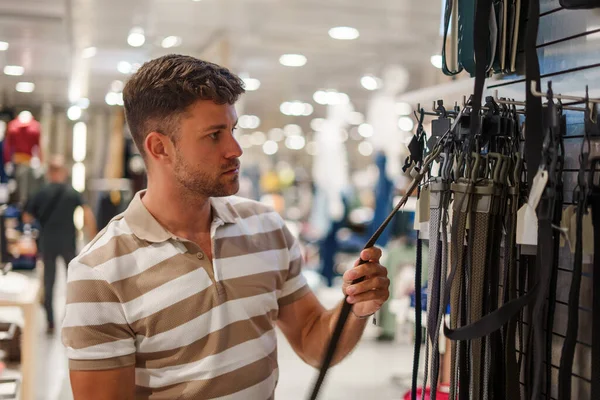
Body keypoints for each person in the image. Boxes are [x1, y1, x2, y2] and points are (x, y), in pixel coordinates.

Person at [62, 54, 391, 400]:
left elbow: (313, 340)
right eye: (214, 135)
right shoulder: (99, 274)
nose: (235, 149)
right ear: (160, 147)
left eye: (232, 130)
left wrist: (355, 307)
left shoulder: (265, 228)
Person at [23, 155, 97, 333]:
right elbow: (87, 214)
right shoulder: (72, 192)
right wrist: (94, 239)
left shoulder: (41, 192)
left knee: (49, 280)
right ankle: (72, 318)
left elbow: (26, 216)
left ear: (49, 172)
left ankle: (50, 322)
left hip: (48, 241)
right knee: (72, 279)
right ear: (63, 172)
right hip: (68, 241)